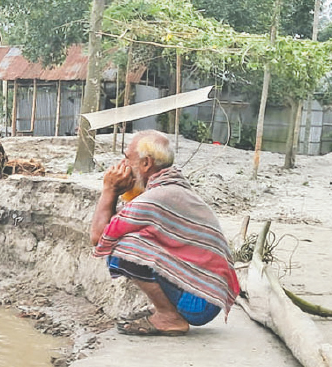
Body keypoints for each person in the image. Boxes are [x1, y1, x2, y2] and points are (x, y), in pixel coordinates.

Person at [90, 130, 240, 336]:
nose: (123, 164)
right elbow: (118, 222)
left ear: (145, 164)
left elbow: (99, 237)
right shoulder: (172, 186)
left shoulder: (156, 197)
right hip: (206, 295)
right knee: (133, 240)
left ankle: (169, 317)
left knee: (120, 248)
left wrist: (109, 189)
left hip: (199, 303)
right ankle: (166, 309)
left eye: (127, 158)